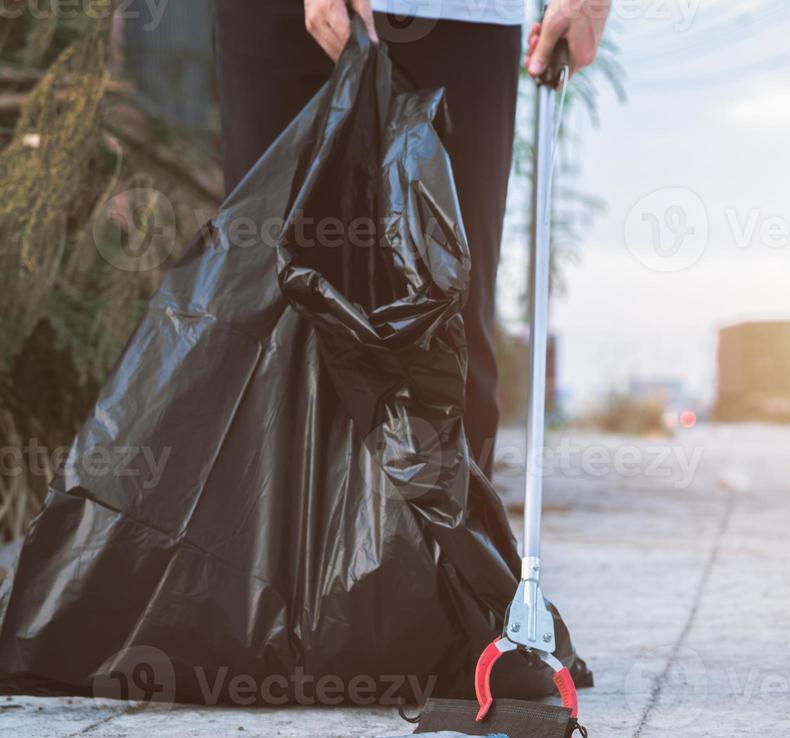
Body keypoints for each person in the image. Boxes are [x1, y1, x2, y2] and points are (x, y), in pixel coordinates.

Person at [210, 0, 610, 474]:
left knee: (446, 315)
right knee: (271, 310)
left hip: (462, 17)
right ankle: (271, 544)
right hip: (285, 19)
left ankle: (438, 545)